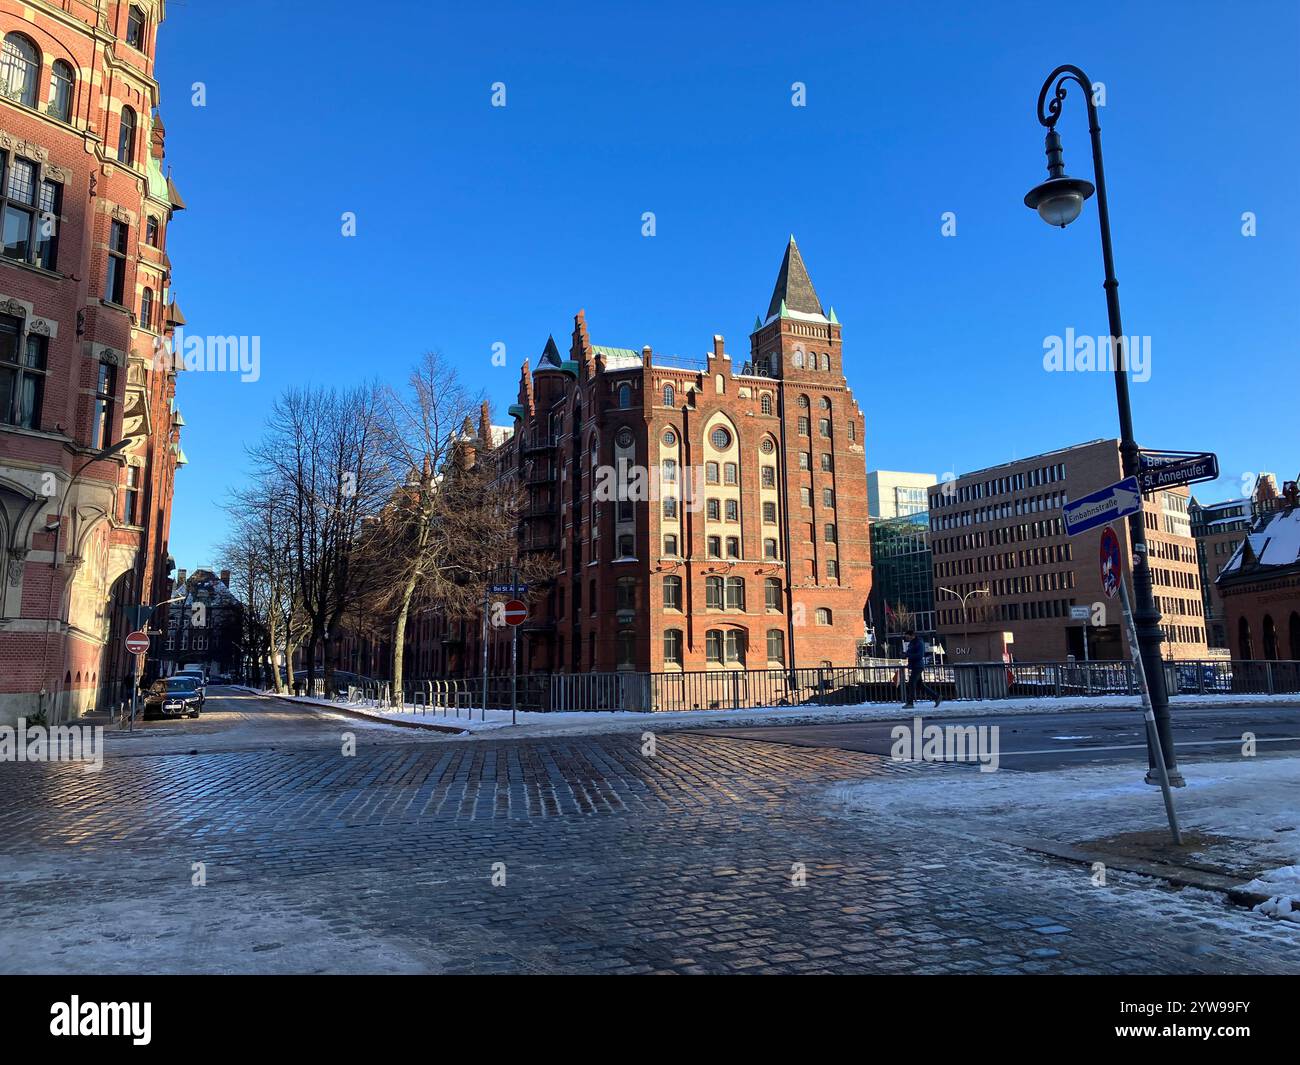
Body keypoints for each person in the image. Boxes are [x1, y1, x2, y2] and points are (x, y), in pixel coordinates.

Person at [902, 629, 942, 709]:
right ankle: (936, 696)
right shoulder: (913, 643)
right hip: (915, 666)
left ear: (912, 636)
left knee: (911, 684)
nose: (907, 639)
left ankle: (910, 703)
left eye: (908, 637)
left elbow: (920, 655)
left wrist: (908, 655)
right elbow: (913, 653)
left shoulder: (918, 643)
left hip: (918, 666)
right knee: (920, 685)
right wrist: (906, 654)